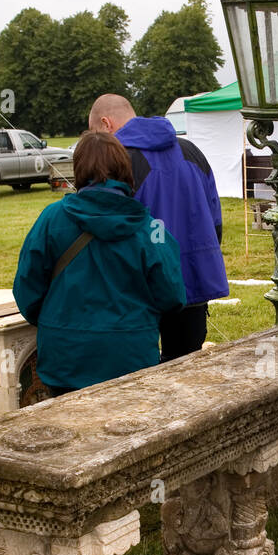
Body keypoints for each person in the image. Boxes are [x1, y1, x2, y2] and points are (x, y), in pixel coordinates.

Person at [13, 130, 185, 394]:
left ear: (79, 169)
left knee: (69, 434)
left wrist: (56, 322)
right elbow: (172, 295)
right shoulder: (151, 228)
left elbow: (27, 289)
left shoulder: (51, 219)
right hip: (130, 358)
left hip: (66, 360)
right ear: (124, 168)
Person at [88, 94, 227, 360]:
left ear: (106, 124)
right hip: (193, 280)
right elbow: (215, 219)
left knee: (141, 375)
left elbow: (108, 230)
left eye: (97, 134)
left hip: (140, 288)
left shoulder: (117, 162)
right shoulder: (192, 151)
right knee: (187, 367)